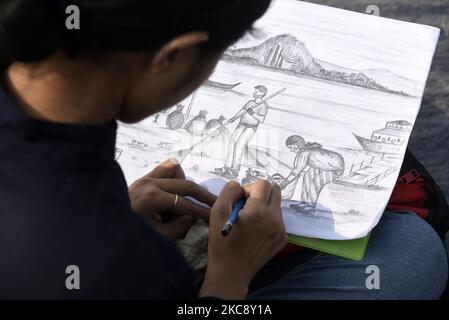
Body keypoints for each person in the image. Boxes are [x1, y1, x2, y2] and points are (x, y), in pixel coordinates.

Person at [0, 0, 447, 300]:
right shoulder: (128, 265)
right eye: (221, 55)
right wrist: (229, 277)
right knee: (409, 257)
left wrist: (120, 213)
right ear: (172, 56)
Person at [279, 135, 345, 214]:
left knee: (316, 181)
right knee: (307, 176)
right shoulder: (306, 151)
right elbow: (302, 171)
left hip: (335, 169)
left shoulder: (304, 153)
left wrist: (285, 183)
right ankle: (304, 203)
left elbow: (296, 170)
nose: (291, 150)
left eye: (291, 147)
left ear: (296, 146)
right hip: (325, 167)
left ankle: (310, 207)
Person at [214, 85, 269, 179]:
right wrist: (233, 118)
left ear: (262, 94)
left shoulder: (264, 105)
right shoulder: (250, 102)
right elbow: (242, 111)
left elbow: (261, 119)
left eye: (256, 92)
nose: (254, 93)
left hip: (250, 128)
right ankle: (226, 167)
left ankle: (234, 170)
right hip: (241, 125)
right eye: (254, 91)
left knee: (239, 146)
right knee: (232, 143)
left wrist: (252, 113)